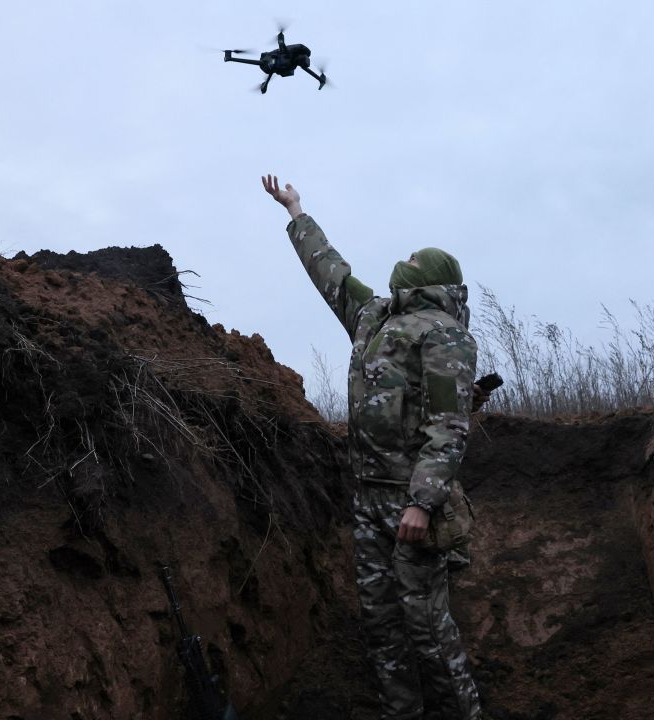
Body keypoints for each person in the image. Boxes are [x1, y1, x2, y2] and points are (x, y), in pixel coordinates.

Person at [263, 174, 483, 720]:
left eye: (413, 257)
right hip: (369, 501)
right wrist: (296, 211)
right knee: (382, 627)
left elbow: (449, 426)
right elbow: (332, 274)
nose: (402, 260)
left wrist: (422, 502)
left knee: (427, 628)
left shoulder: (443, 332)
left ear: (431, 276)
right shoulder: (375, 319)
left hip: (411, 506)